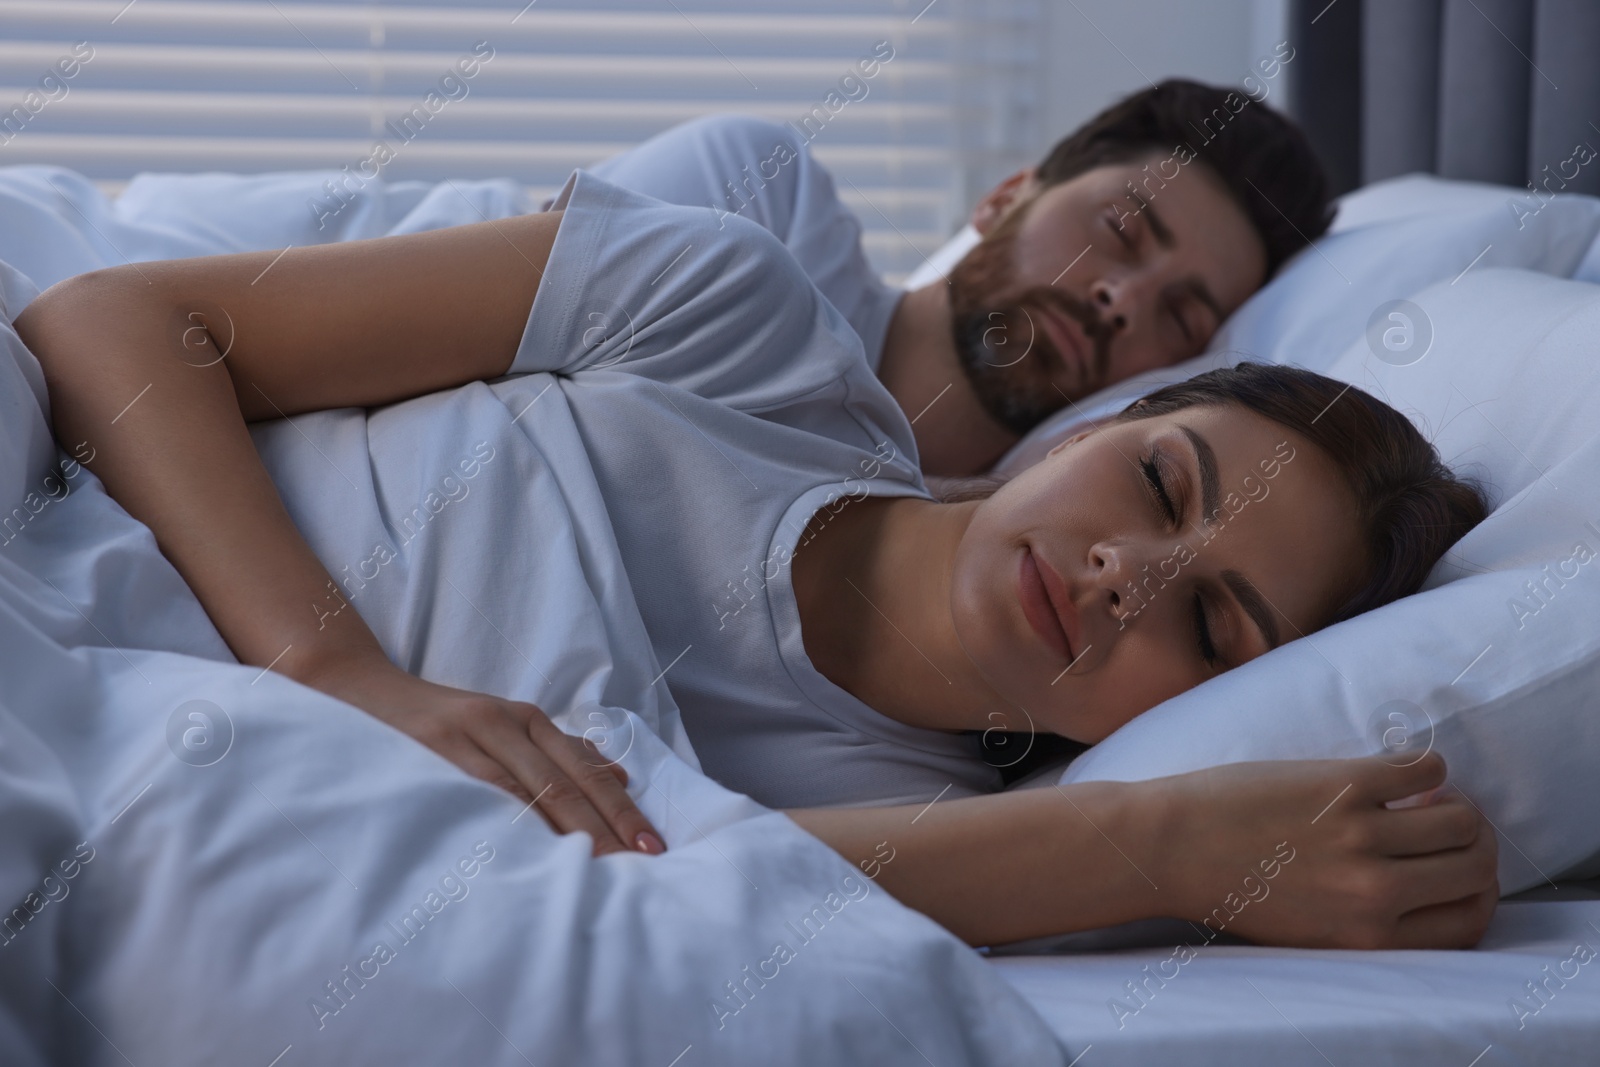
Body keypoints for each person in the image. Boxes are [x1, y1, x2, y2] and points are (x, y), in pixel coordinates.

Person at [17, 166, 1495, 952]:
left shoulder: (902, 823)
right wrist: (335, 668)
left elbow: (685, 902)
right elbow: (110, 325)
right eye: (1162, 484)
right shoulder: (738, 323)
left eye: (1217, 628)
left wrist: (1174, 845)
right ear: (1086, 429)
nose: (1129, 576)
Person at [582, 79, 1331, 475]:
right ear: (1006, 197)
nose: (1122, 299)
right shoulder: (764, 197)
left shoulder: (989, 565)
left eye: (1183, 318)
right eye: (1121, 230)